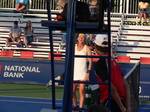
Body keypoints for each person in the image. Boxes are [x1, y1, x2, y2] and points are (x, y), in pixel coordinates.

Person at [94, 34, 131, 112]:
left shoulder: (100, 63)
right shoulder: (113, 61)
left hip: (110, 102)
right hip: (121, 102)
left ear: (95, 46)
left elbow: (112, 88)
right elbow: (126, 85)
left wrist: (121, 108)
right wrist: (127, 107)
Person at [73, 33, 93, 112]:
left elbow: (90, 61)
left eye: (82, 37)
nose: (81, 38)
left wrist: (88, 72)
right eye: (79, 37)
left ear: (84, 39)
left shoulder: (87, 48)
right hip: (74, 72)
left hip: (83, 73)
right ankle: (75, 106)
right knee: (72, 92)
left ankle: (80, 109)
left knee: (81, 91)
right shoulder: (73, 47)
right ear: (77, 38)